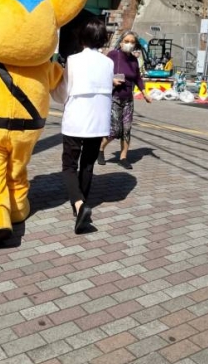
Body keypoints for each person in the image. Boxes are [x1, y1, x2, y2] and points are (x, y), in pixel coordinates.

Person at [53, 17, 116, 233]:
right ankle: (82, 204)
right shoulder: (109, 63)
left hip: (76, 118)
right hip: (98, 121)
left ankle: (79, 205)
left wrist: (53, 91)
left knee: (69, 165)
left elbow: (64, 92)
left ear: (82, 39)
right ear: (103, 39)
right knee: (87, 164)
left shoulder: (73, 60)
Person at [98, 30, 151, 170]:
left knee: (126, 129)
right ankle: (101, 148)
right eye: (126, 41)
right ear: (121, 42)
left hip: (128, 99)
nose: (129, 44)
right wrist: (112, 80)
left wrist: (144, 93)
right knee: (115, 129)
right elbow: (102, 72)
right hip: (114, 96)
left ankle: (123, 157)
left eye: (132, 42)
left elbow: (138, 78)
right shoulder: (113, 55)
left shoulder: (134, 60)